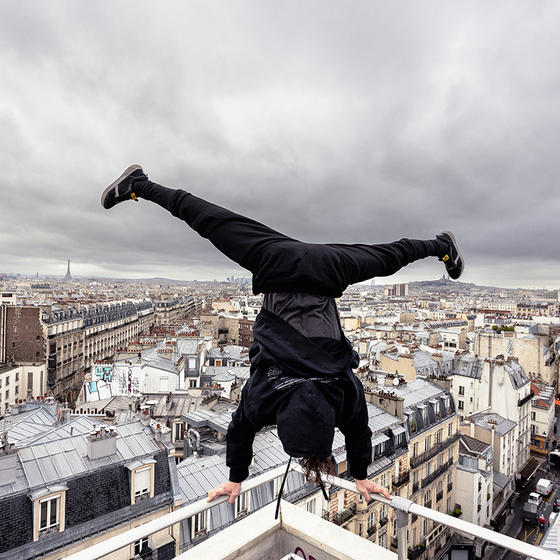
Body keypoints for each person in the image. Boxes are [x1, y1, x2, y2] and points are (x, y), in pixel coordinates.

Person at [102, 165, 464, 507]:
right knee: (205, 218)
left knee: (390, 255)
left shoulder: (340, 391)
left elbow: (358, 430)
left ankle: (441, 245)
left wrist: (359, 472)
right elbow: (240, 429)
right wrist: (236, 477)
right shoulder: (268, 395)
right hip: (275, 263)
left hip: (326, 267)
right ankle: (138, 184)